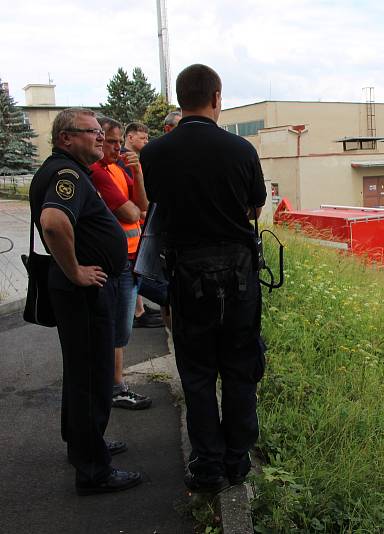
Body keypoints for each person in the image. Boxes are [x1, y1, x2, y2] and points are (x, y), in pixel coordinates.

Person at [141, 64, 268, 492]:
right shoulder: (241, 150)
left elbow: (158, 204)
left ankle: (208, 464)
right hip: (239, 276)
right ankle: (237, 461)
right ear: (217, 97)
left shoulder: (153, 153)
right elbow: (254, 209)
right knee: (239, 366)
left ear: (181, 99)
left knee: (196, 373)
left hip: (186, 275)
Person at [29, 108, 141, 495]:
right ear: (65, 139)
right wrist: (76, 270)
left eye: (99, 132)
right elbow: (54, 222)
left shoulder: (70, 170)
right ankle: (94, 470)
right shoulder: (67, 175)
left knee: (82, 373)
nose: (100, 137)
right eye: (90, 132)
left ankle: (83, 442)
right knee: (91, 376)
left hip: (81, 289)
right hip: (83, 290)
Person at [89, 117, 153, 410]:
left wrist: (137, 173)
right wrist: (137, 207)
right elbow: (131, 213)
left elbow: (144, 205)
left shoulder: (117, 169)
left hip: (132, 257)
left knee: (121, 329)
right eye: (110, 142)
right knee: (116, 328)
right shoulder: (98, 172)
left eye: (117, 142)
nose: (116, 148)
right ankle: (114, 387)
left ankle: (114, 385)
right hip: (118, 261)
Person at [121, 122, 166, 329]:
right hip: (130, 233)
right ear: (129, 137)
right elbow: (133, 201)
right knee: (139, 274)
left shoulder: (135, 161)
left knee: (136, 275)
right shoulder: (123, 162)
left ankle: (138, 310)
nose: (146, 142)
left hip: (136, 229)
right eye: (142, 138)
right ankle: (138, 313)